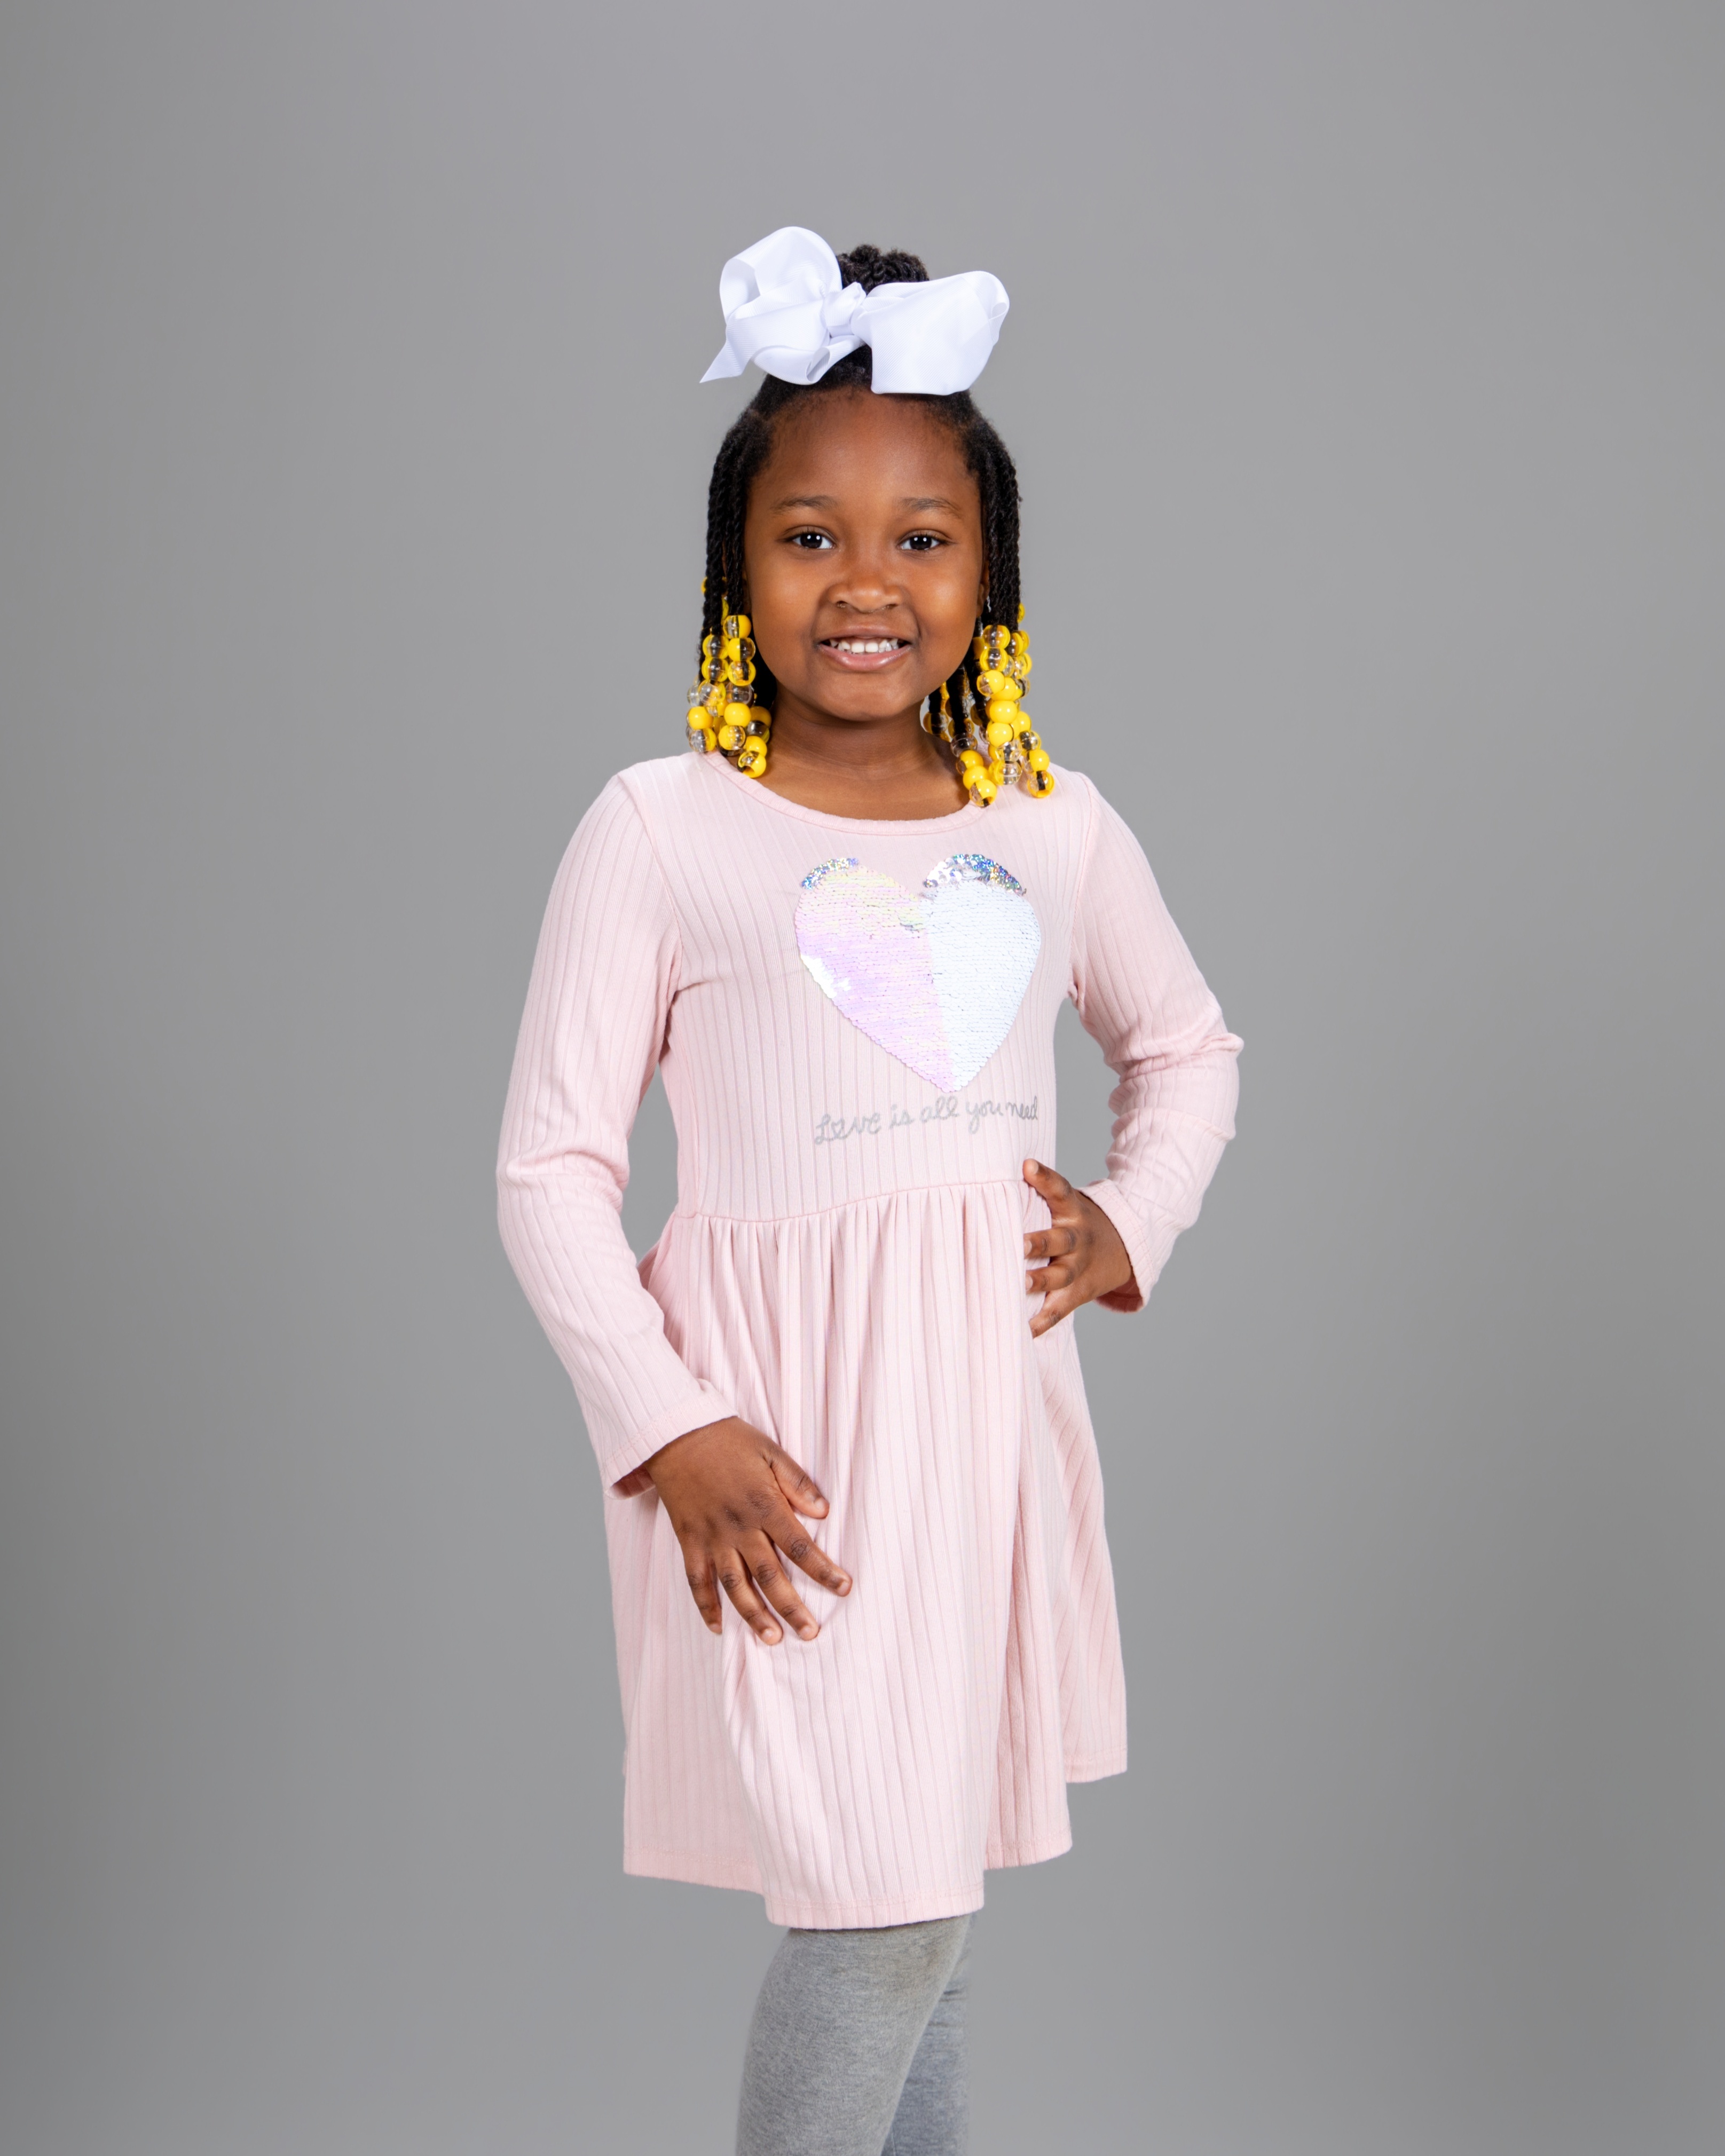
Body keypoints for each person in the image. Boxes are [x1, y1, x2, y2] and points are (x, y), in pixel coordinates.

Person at [497, 227, 1242, 2156]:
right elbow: (550, 1171)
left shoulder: (1050, 823)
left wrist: (1129, 1219)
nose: (865, 582)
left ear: (991, 573)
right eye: (809, 535)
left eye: (922, 538)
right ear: (733, 569)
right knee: (886, 1913)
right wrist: (669, 1429)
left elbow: (1188, 1049)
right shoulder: (659, 832)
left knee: (930, 1910)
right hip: (783, 1465)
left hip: (981, 1438)